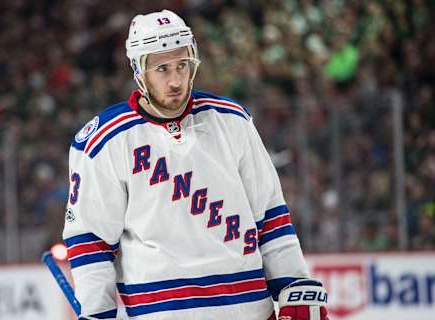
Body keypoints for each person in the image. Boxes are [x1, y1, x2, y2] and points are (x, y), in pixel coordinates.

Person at [63, 9, 329, 320]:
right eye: (162, 69)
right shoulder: (104, 141)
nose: (176, 80)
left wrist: (292, 284)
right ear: (139, 71)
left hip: (248, 310)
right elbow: (91, 241)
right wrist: (97, 313)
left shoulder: (232, 121)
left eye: (182, 65)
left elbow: (270, 217)